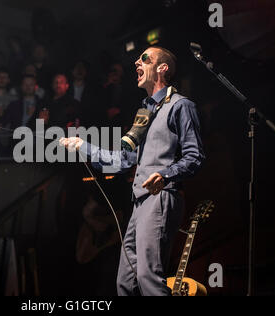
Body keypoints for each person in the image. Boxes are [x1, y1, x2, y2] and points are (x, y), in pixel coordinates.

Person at [60, 46, 205, 296]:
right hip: (138, 202)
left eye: (145, 58)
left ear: (163, 68)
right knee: (125, 283)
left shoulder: (181, 106)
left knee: (149, 278)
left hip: (161, 196)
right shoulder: (145, 112)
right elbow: (123, 160)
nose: (137, 62)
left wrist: (166, 174)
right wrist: (83, 146)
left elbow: (195, 156)